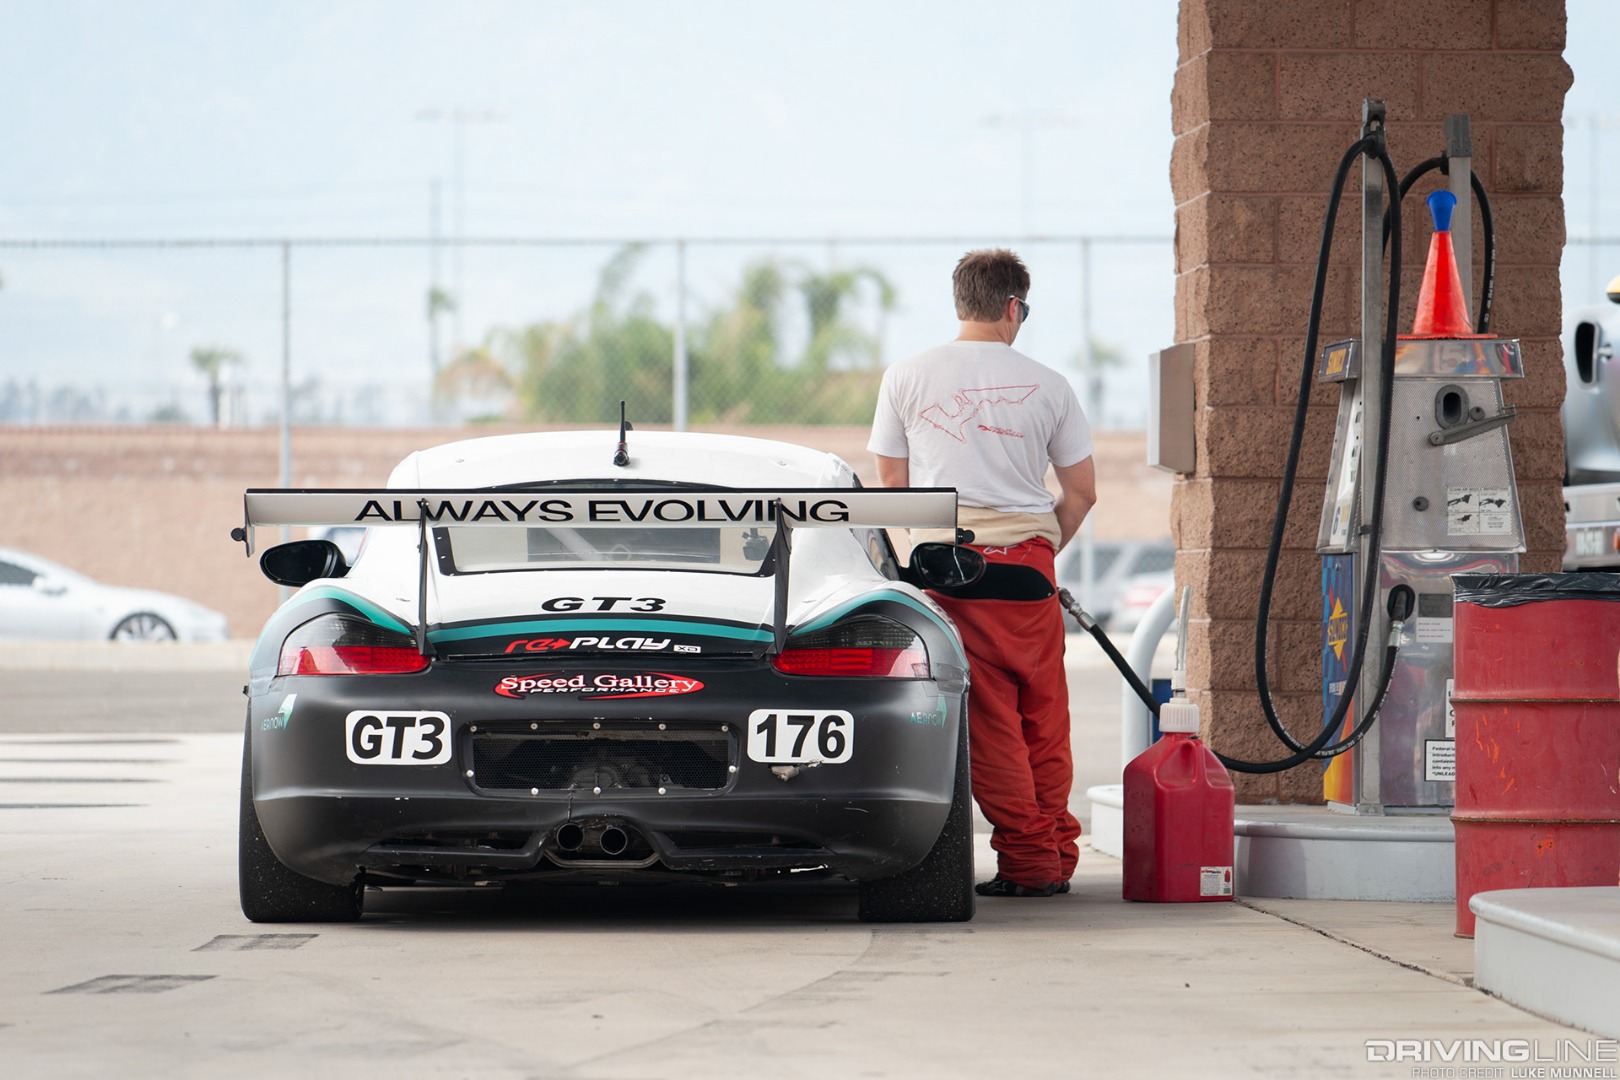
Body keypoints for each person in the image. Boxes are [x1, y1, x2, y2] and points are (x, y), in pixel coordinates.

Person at [868, 248, 1096, 898]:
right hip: (1030, 574)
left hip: (954, 576)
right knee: (1045, 719)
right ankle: (1055, 855)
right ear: (1013, 308)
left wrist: (928, 547)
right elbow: (1081, 493)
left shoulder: (907, 376)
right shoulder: (1050, 384)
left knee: (992, 724)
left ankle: (1031, 864)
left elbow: (891, 484)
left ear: (960, 303)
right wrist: (1042, 548)